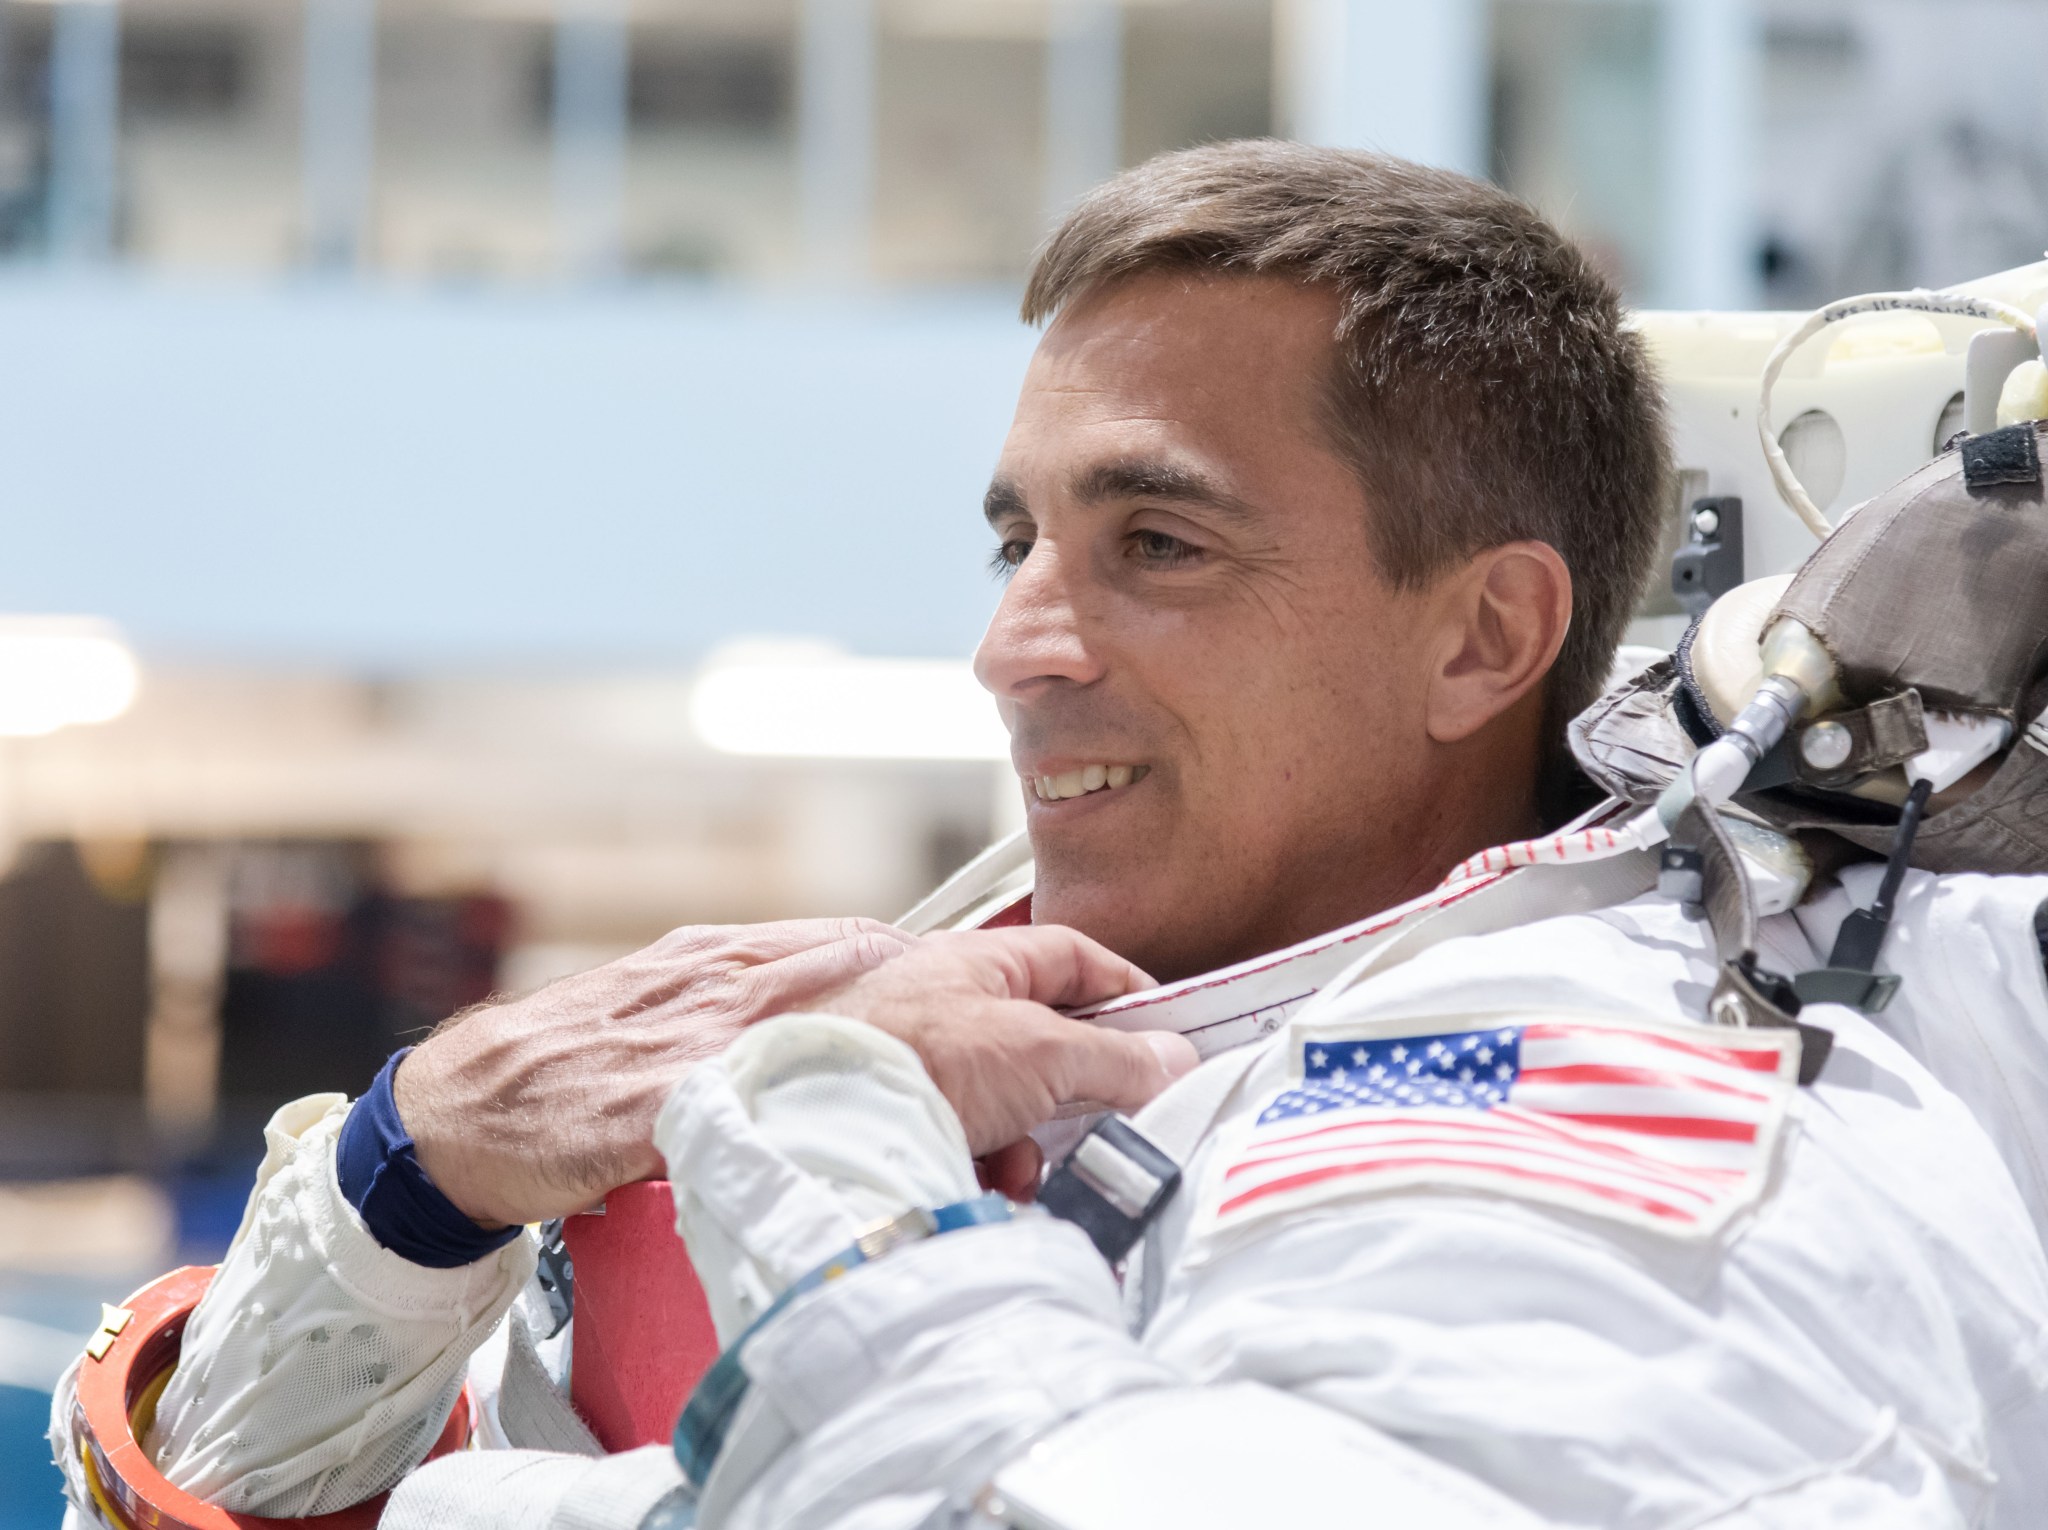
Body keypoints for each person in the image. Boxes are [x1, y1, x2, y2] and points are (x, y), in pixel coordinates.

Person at [51, 142, 2048, 1528]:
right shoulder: (874, 1038)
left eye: (1154, 543)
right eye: (1017, 541)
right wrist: (415, 1182)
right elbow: (215, 1493)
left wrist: (830, 1192)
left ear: (1485, 636)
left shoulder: (1597, 1076)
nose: (1016, 651)